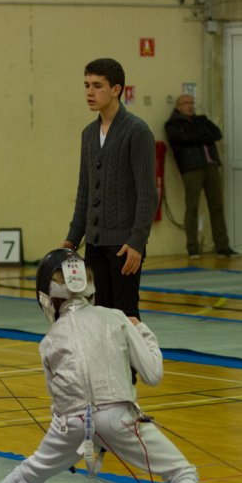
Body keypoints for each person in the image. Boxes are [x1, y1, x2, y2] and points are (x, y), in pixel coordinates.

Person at [0, 249, 221, 483]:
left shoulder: (49, 341)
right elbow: (153, 375)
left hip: (70, 424)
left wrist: (70, 446)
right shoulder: (116, 319)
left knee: (30, 471)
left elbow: (56, 399)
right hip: (119, 418)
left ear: (47, 296)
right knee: (182, 473)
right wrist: (142, 330)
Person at [63, 57, 157, 320]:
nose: (89, 92)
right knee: (99, 316)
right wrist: (72, 239)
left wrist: (137, 242)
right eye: (86, 85)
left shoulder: (137, 131)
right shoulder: (88, 134)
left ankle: (138, 351)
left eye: (97, 86)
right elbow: (85, 191)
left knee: (127, 316)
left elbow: (148, 194)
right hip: (94, 243)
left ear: (116, 90)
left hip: (124, 245)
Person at [164, 94, 237, 259]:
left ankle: (222, 246)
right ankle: (193, 247)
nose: (189, 106)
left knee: (217, 206)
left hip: (211, 165)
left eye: (191, 103)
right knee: (192, 208)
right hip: (192, 168)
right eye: (185, 103)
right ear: (178, 107)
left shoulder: (201, 120)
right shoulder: (173, 124)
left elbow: (216, 133)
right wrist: (201, 136)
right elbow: (181, 139)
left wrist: (197, 136)